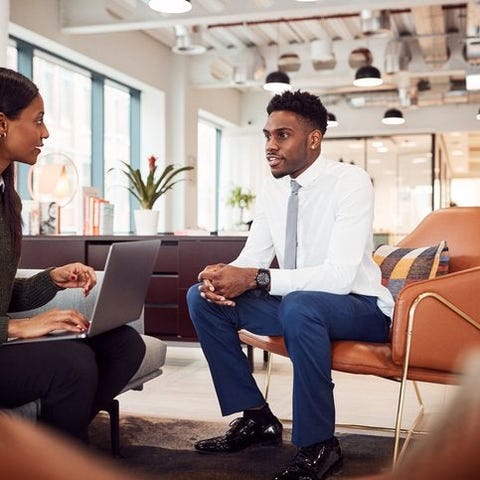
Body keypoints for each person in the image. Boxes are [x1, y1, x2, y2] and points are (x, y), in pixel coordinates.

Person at [187, 90, 394, 480]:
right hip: (299, 306)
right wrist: (223, 275)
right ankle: (257, 418)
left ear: (313, 138)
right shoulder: (273, 188)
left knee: (301, 304)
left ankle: (320, 444)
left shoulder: (350, 182)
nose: (270, 145)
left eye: (282, 135)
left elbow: (339, 276)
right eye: (267, 135)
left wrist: (257, 278)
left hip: (359, 308)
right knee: (201, 299)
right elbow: (254, 258)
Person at [0, 67, 146, 442]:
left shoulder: (6, 196)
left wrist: (50, 279)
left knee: (125, 345)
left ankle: (50, 446)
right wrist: (17, 327)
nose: (45, 133)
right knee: (72, 363)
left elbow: (3, 291)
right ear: (2, 123)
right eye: (38, 121)